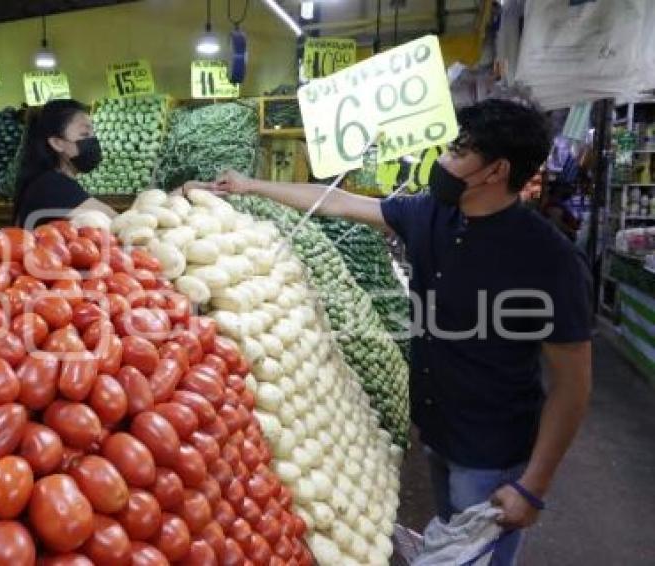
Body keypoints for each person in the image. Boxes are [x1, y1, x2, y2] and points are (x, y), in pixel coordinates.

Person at [212, 99, 592, 565]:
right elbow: (337, 201)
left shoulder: (547, 258)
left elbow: (573, 386)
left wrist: (533, 487)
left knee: (478, 557)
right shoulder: (433, 213)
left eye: (458, 151)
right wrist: (249, 185)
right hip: (437, 426)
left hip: (491, 451)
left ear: (497, 170)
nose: (444, 161)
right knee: (449, 540)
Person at [14, 99, 111, 228]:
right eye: (84, 134)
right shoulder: (52, 186)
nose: (93, 141)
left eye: (93, 134)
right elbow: (115, 222)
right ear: (57, 143)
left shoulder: (46, 181)